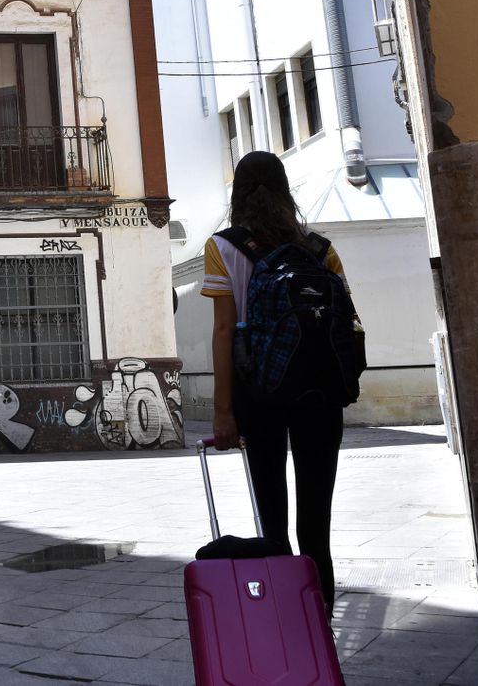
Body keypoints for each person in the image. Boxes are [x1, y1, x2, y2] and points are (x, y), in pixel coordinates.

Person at [202, 150, 348, 612]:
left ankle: (288, 623)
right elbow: (345, 323)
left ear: (237, 194)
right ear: (287, 192)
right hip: (320, 395)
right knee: (316, 529)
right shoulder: (321, 249)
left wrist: (223, 412)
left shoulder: (222, 247)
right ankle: (321, 622)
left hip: (258, 394)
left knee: (273, 524)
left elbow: (224, 331)